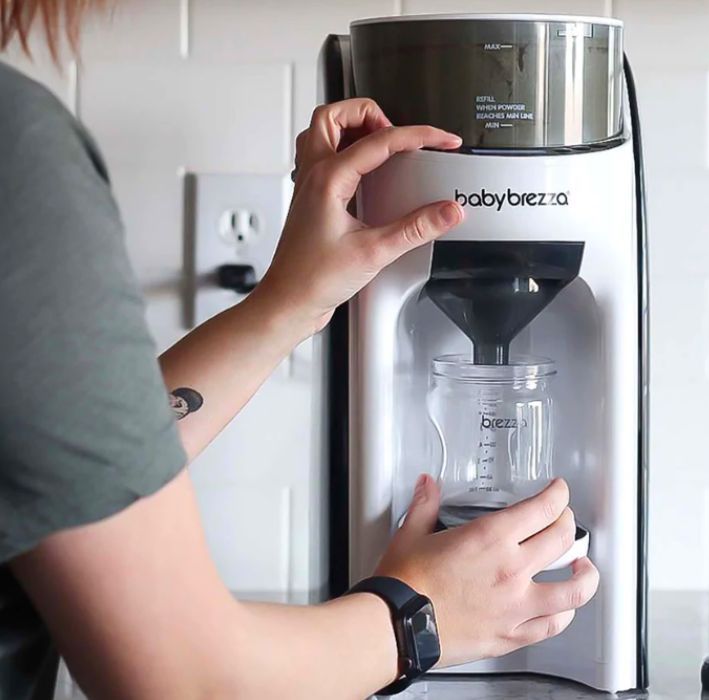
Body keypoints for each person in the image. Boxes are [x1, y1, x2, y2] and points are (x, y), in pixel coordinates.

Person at [0, 1, 600, 698]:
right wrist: (418, 618)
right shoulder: (16, 156)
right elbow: (183, 681)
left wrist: (290, 302)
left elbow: (64, 467)